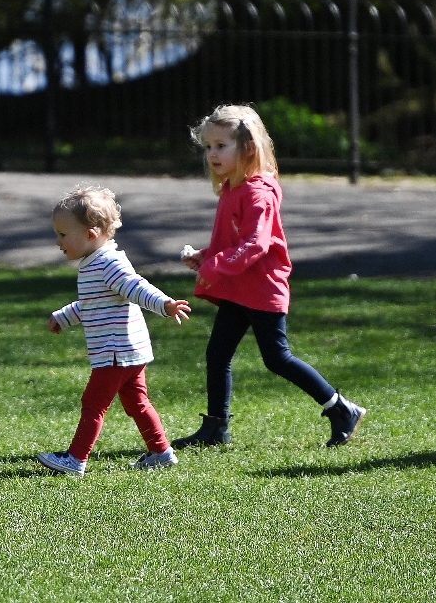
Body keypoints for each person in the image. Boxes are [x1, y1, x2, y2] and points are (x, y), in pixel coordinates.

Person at [173, 104, 367, 450]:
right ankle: (217, 427)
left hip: (262, 289)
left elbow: (256, 244)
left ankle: (341, 409)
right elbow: (235, 241)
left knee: (277, 357)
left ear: (248, 148)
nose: (213, 154)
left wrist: (214, 267)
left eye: (222, 146)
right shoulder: (233, 188)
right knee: (217, 354)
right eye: (209, 147)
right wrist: (205, 256)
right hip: (238, 288)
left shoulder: (257, 191)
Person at [37, 186, 192, 477]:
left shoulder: (108, 263)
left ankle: (75, 459)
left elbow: (136, 287)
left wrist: (165, 304)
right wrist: (63, 317)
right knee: (136, 402)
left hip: (115, 351)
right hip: (129, 351)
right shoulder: (95, 262)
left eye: (62, 234)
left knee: (93, 404)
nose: (58, 241)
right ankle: (161, 452)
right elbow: (92, 304)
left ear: (91, 234)